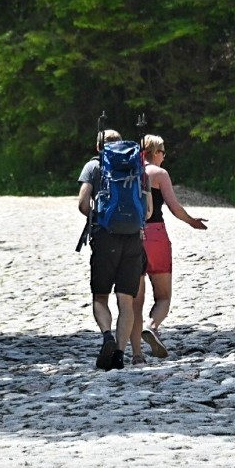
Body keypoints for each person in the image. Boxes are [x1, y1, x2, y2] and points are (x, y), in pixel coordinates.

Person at [78, 130, 152, 370]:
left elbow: (82, 203)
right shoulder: (138, 168)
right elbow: (148, 211)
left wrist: (99, 218)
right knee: (126, 300)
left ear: (99, 147)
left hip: (105, 237)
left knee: (100, 295)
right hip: (132, 238)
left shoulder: (94, 167)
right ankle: (120, 353)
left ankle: (107, 336)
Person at [130, 135, 208, 365]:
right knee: (163, 296)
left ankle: (137, 355)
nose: (164, 156)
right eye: (163, 151)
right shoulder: (159, 174)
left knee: (136, 300)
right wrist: (193, 221)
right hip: (156, 236)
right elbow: (174, 207)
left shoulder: (127, 173)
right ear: (154, 152)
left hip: (131, 237)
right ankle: (151, 327)